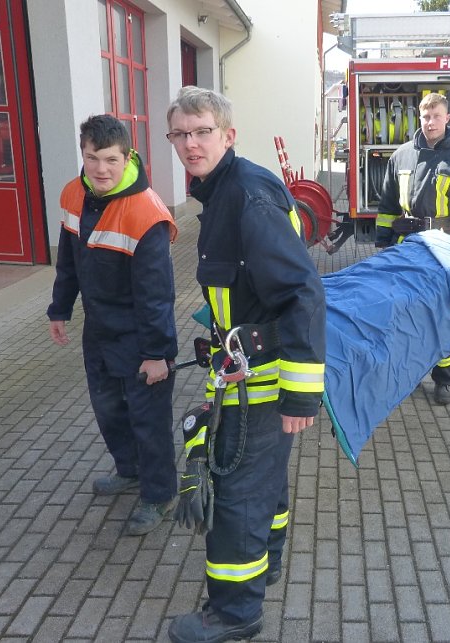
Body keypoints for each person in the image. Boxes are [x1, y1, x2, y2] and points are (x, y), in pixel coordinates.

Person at [165, 86, 326, 643]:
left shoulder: (247, 195)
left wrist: (302, 393)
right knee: (264, 486)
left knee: (235, 497)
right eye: (180, 134)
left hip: (260, 382)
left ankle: (235, 613)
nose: (190, 143)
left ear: (228, 135)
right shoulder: (219, 191)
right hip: (244, 373)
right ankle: (269, 561)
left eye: (202, 131)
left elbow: (302, 293)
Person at [46, 114, 179, 535]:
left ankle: (158, 494)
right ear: (82, 155)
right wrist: (59, 308)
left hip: (142, 336)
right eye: (92, 158)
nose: (101, 169)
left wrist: (157, 354)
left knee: (148, 421)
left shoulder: (146, 212)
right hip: (98, 330)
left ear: (128, 157)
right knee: (108, 410)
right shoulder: (74, 194)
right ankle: (129, 470)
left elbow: (158, 294)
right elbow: (67, 260)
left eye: (110, 160)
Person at [374, 92, 450, 407]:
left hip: (442, 249)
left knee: (442, 316)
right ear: (418, 119)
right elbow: (388, 204)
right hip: (404, 248)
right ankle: (405, 375)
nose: (430, 122)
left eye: (436, 116)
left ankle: (444, 381)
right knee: (403, 314)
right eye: (425, 116)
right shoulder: (402, 155)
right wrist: (382, 243)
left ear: (448, 118)